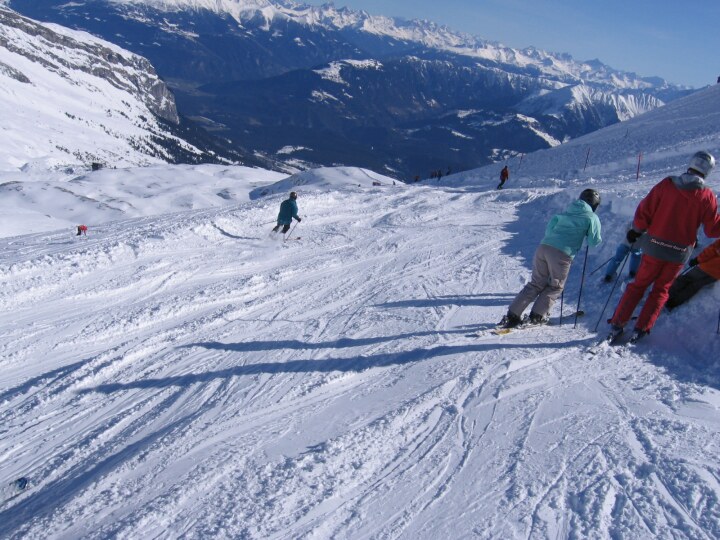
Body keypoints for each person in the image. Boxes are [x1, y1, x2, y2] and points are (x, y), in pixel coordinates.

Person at [608, 151, 720, 343]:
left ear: (691, 164)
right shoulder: (707, 196)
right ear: (708, 171)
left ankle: (618, 323)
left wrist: (636, 230)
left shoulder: (667, 184)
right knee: (661, 290)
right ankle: (642, 327)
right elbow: (712, 230)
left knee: (639, 285)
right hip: (679, 253)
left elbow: (645, 210)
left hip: (654, 246)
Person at [499, 189, 602, 328]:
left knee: (536, 283)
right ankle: (537, 316)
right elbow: (593, 242)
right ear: (594, 204)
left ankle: (513, 314)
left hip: (543, 247)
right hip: (562, 253)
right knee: (555, 286)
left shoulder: (565, 212)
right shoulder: (591, 217)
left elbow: (549, 230)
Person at [665, 238, 720, 311]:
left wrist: (698, 259)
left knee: (685, 279)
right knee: (694, 286)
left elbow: (712, 250)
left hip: (708, 266)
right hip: (716, 275)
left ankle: (664, 296)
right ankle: (674, 302)